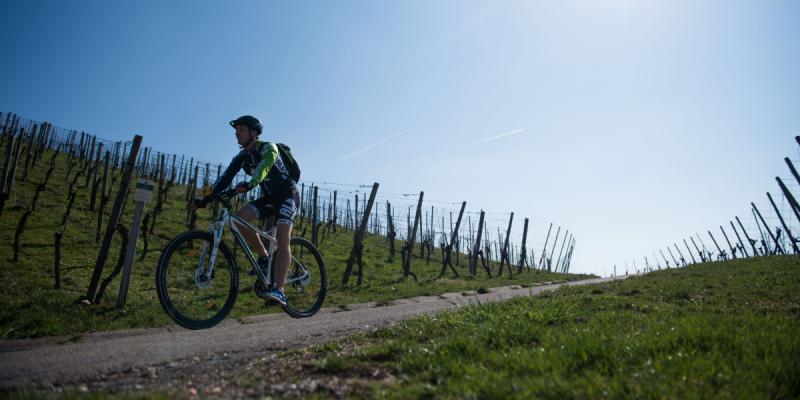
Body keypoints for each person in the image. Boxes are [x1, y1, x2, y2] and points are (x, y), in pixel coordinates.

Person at [189, 115, 298, 306]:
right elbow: (225, 178)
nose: (236, 134)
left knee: (282, 237)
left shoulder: (268, 147)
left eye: (241, 130)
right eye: (236, 130)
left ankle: (280, 290)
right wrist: (205, 199)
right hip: (269, 198)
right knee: (237, 220)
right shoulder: (242, 157)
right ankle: (265, 258)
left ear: (253, 133)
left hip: (288, 195)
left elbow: (266, 165)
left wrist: (250, 184)